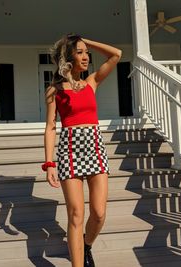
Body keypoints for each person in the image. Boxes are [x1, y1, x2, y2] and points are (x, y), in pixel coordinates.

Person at [42, 34, 122, 267]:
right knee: (76, 214)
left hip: (95, 148)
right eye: (80, 52)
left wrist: (85, 40)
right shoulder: (54, 90)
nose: (86, 57)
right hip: (70, 151)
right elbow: (50, 127)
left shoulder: (92, 82)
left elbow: (116, 54)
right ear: (68, 56)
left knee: (98, 213)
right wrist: (49, 164)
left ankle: (85, 245)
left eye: (87, 52)